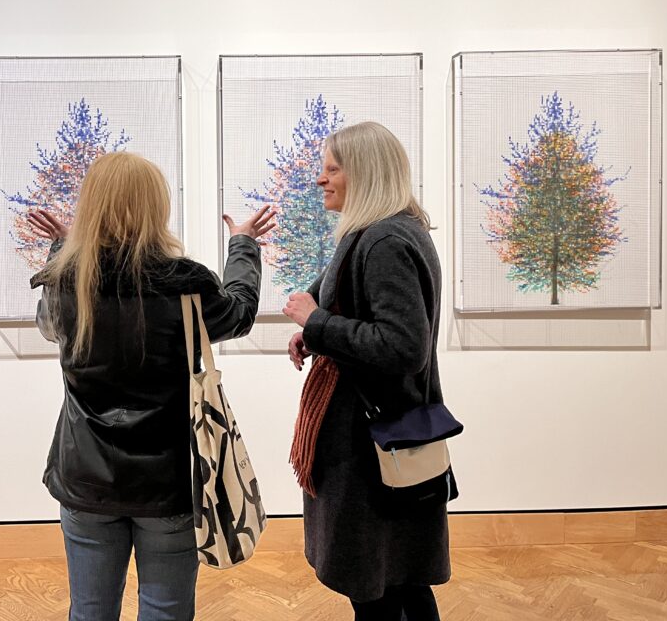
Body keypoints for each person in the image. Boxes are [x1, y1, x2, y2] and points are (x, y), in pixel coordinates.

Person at [29, 151, 274, 621]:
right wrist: (243, 246)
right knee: (166, 611)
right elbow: (239, 314)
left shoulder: (64, 282)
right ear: (156, 206)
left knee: (90, 611)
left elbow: (50, 327)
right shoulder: (186, 283)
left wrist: (62, 248)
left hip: (86, 477)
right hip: (169, 479)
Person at [282, 121, 450, 620]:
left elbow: (403, 347)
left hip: (373, 447)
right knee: (401, 581)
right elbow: (353, 309)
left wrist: (317, 322)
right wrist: (316, 332)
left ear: (366, 172)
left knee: (381, 591)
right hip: (383, 440)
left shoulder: (384, 241)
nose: (321, 178)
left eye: (333, 168)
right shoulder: (382, 232)